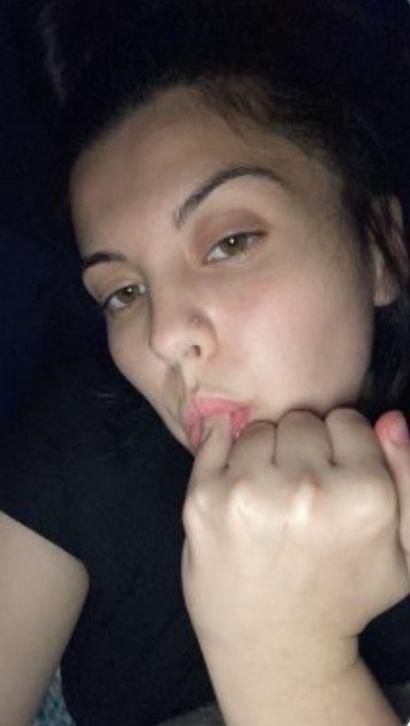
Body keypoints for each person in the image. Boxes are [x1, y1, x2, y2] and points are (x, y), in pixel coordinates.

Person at [2, 0, 410, 723]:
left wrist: (283, 655)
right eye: (123, 293)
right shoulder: (81, 451)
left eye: (229, 243)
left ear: (380, 247)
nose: (163, 336)